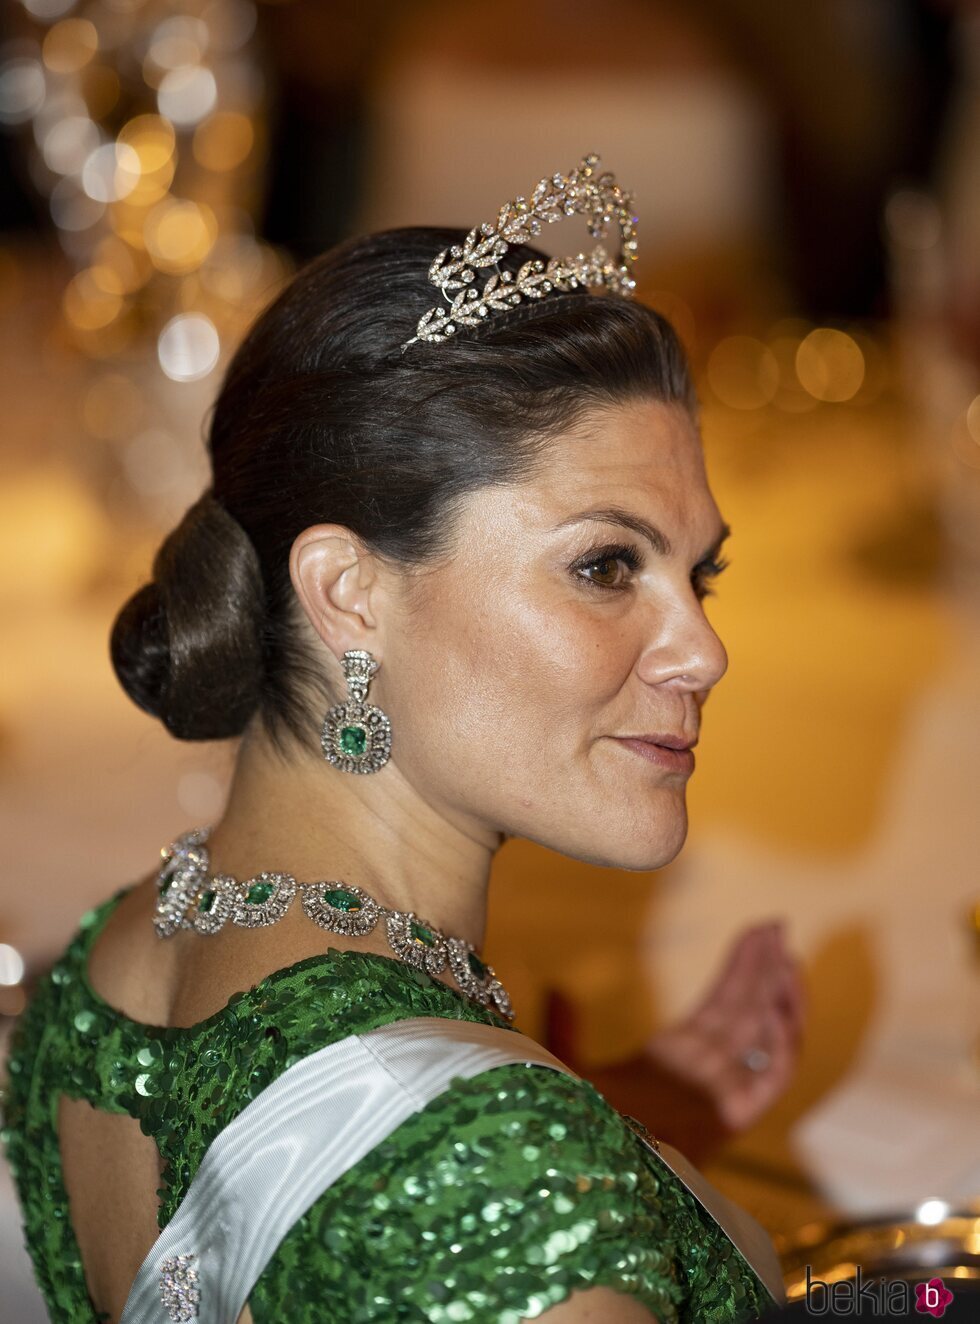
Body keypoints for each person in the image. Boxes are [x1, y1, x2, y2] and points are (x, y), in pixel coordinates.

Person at [1, 156, 799, 1323]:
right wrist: (528, 1147)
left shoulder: (125, 949)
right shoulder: (500, 1194)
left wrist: (601, 1122)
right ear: (347, 592)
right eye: (604, 565)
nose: (701, 651)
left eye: (697, 575)